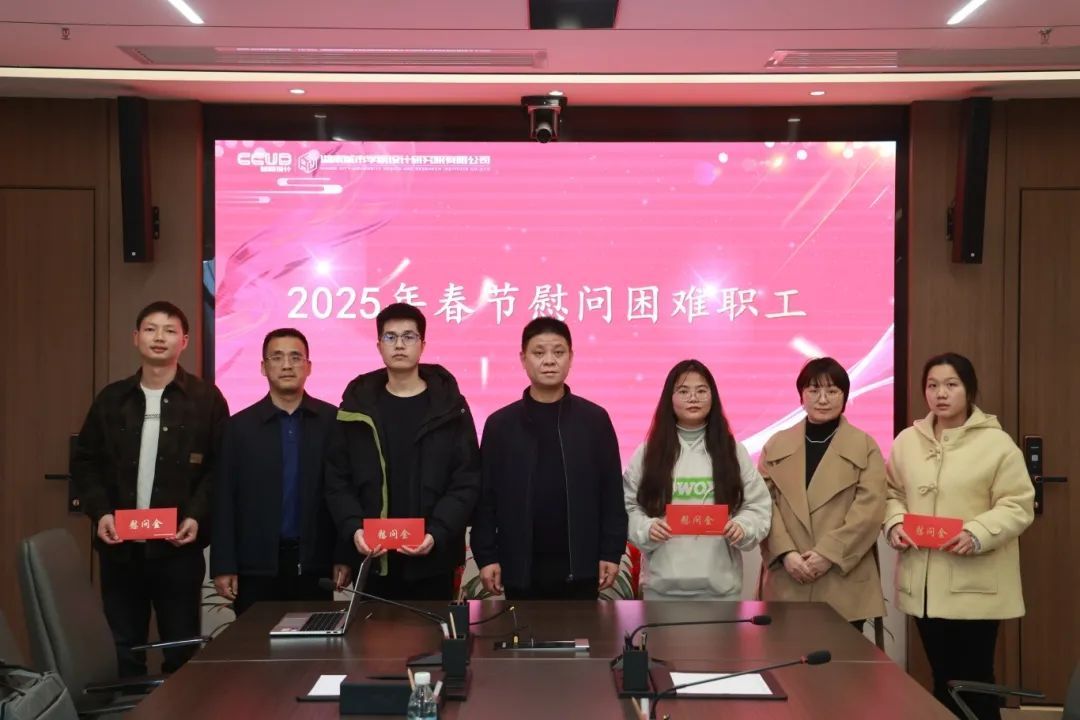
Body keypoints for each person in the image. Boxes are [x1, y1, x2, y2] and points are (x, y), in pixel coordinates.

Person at [72, 301, 229, 676]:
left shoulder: (206, 400)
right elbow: (85, 462)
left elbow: (220, 468)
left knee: (181, 650)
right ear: (136, 337)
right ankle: (125, 704)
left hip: (178, 550)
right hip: (120, 550)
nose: (160, 337)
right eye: (151, 329)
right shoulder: (112, 399)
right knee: (123, 649)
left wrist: (196, 516)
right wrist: (101, 513)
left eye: (170, 330)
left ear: (184, 341)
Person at [885, 352, 1034, 720]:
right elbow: (891, 493)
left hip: (974, 584)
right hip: (925, 586)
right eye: (932, 385)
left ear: (969, 389)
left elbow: (1018, 504)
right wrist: (896, 523)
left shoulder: (997, 444)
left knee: (974, 681)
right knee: (943, 679)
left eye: (951, 385)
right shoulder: (907, 441)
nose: (941, 393)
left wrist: (976, 532)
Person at [325, 303, 480, 600]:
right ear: (378, 345)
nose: (399, 344)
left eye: (409, 336)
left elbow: (466, 479)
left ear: (423, 345)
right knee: (372, 631)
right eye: (390, 337)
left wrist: (436, 532)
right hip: (373, 559)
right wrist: (354, 529)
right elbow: (337, 480)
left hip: (434, 560)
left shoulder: (451, 408)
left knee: (433, 630)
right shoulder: (356, 408)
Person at [471, 317, 628, 600]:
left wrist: (611, 551)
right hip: (519, 567)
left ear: (571, 357)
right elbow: (485, 499)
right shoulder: (501, 425)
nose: (549, 361)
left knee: (582, 630)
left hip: (582, 565)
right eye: (539, 352)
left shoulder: (594, 420)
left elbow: (612, 494)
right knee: (521, 629)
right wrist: (486, 555)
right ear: (523, 359)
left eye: (558, 352)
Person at [210, 328, 352, 615]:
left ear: (308, 366)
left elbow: (344, 493)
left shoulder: (332, 422)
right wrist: (223, 564)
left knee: (313, 641)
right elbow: (224, 499)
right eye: (277, 357)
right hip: (255, 566)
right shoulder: (239, 427)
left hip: (315, 564)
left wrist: (344, 554)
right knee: (255, 641)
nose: (287, 365)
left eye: (295, 357)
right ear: (263, 367)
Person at [623, 359, 771, 600]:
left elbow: (757, 506)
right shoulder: (648, 453)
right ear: (669, 398)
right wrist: (646, 528)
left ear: (713, 397)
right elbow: (627, 507)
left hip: (721, 592)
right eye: (683, 391)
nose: (693, 398)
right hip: (661, 591)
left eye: (701, 391)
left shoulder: (732, 451)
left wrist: (743, 526)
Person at [758, 357, 886, 626]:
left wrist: (828, 554)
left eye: (832, 391)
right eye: (814, 390)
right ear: (801, 396)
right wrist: (786, 553)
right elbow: (763, 505)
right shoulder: (776, 445)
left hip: (842, 579)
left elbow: (869, 511)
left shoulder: (865, 446)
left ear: (845, 396)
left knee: (841, 653)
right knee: (785, 652)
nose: (823, 399)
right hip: (787, 576)